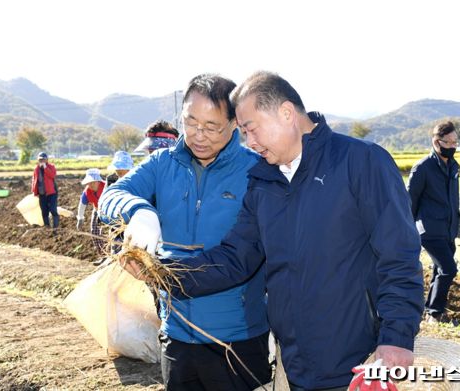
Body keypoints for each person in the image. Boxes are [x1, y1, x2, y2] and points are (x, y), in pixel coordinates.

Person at [121, 71, 424, 390]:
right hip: (295, 364)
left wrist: (397, 337)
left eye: (251, 129)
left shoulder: (359, 162)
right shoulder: (264, 181)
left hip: (357, 364)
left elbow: (399, 255)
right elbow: (235, 259)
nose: (249, 142)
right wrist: (162, 274)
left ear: (286, 113)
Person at [100, 74, 271, 390]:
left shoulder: (255, 173)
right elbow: (110, 196)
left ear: (235, 123)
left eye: (211, 126)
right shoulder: (163, 164)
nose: (198, 135)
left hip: (236, 342)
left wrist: (158, 274)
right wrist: (140, 212)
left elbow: (240, 260)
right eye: (190, 122)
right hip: (176, 336)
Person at [407, 120, 460, 324]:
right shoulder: (423, 168)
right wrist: (408, 230)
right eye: (449, 142)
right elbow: (409, 200)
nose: (453, 146)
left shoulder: (454, 166)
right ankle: (435, 312)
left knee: (440, 271)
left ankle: (432, 313)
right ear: (437, 142)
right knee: (449, 269)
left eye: (456, 142)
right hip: (429, 229)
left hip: (448, 229)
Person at [76, 168, 106, 255]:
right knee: (94, 232)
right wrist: (80, 218)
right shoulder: (87, 192)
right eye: (89, 183)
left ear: (98, 181)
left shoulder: (106, 187)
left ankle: (110, 255)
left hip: (108, 211)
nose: (91, 185)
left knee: (104, 233)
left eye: (93, 182)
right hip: (97, 210)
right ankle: (102, 255)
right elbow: (82, 205)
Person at [31, 152, 59, 231]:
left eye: (43, 159)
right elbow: (34, 180)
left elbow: (52, 175)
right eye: (40, 159)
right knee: (44, 211)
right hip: (42, 194)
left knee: (53, 210)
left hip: (52, 193)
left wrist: (45, 168)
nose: (42, 161)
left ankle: (56, 227)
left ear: (47, 160)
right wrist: (34, 191)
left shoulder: (51, 167)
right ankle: (47, 228)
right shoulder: (36, 169)